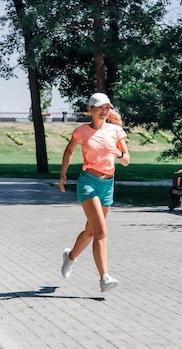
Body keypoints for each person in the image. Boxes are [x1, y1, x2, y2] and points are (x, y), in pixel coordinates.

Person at [58, 92, 130, 292]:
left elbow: (126, 160)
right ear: (91, 110)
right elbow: (69, 151)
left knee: (91, 231)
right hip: (88, 182)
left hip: (108, 185)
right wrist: (63, 175)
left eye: (107, 107)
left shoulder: (116, 132)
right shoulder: (81, 131)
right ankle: (104, 278)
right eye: (100, 107)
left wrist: (117, 152)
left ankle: (70, 256)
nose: (105, 111)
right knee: (101, 231)